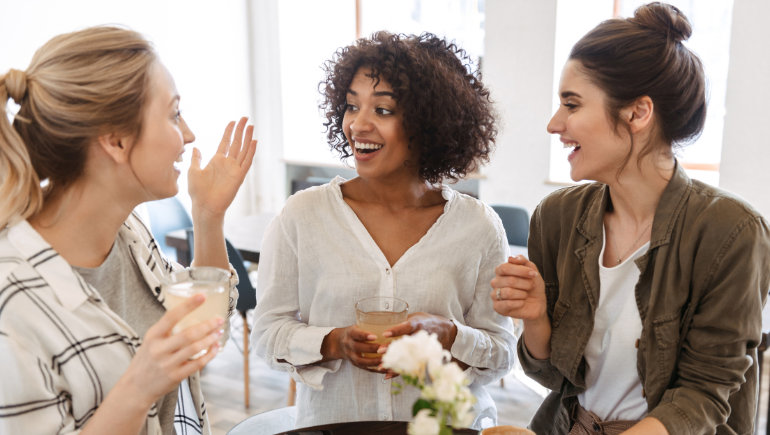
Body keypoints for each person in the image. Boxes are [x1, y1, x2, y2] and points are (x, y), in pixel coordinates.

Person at [490, 3, 770, 435]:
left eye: (571, 104)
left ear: (638, 112)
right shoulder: (557, 217)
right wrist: (535, 317)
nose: (554, 124)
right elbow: (552, 378)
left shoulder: (731, 232)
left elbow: (703, 395)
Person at [0, 26, 257, 435]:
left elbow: (202, 324)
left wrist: (208, 215)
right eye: (174, 114)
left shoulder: (129, 234)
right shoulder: (13, 302)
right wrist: (137, 389)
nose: (188, 135)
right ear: (116, 140)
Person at [252, 31, 515, 429]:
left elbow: (501, 354)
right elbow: (267, 334)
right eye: (351, 106)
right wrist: (333, 342)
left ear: (428, 122)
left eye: (384, 110)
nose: (358, 124)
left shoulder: (477, 227)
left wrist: (449, 335)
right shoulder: (304, 215)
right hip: (334, 427)